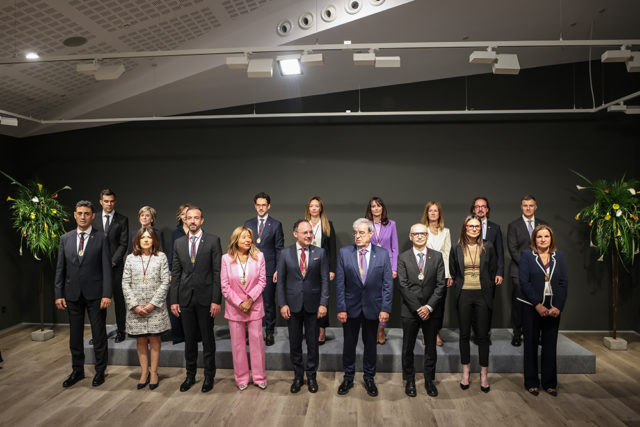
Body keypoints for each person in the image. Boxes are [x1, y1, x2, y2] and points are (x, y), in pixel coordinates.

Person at [54, 200, 112, 388]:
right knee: (75, 335)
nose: (83, 217)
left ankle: (100, 371)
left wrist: (107, 294)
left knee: (99, 334)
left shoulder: (101, 237)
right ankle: (77, 370)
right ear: (74, 215)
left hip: (96, 295)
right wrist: (58, 294)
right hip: (72, 294)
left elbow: (106, 269)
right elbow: (60, 269)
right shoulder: (65, 239)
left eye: (87, 213)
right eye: (79, 213)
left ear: (93, 216)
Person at [335, 218, 393, 397]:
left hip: (373, 307)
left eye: (361, 232)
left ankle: (369, 378)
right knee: (349, 345)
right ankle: (348, 377)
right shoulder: (345, 253)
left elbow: (388, 284)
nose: (357, 236)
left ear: (371, 234)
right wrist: (341, 308)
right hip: (350, 308)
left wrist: (385, 308)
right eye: (355, 233)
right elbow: (339, 284)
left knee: (370, 346)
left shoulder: (382, 254)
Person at [170, 206, 222, 393]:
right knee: (189, 340)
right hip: (185, 299)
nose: (192, 221)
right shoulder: (179, 243)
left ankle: (209, 376)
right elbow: (176, 273)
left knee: (208, 340)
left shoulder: (213, 241)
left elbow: (217, 272)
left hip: (206, 298)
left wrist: (216, 300)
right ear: (185, 220)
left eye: (196, 218)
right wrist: (174, 300)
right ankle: (190, 375)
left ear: (202, 220)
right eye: (189, 218)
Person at [276, 220, 329, 393]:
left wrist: (323, 303)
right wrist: (283, 304)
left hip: (314, 306)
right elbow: (280, 282)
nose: (308, 235)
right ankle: (298, 376)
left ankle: (312, 376)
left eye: (310, 232)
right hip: (292, 306)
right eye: (304, 232)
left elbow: (325, 281)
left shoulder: (320, 253)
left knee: (313, 344)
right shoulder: (285, 253)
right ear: (295, 234)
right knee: (295, 343)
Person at [449, 215, 498, 393]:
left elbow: (492, 270)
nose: (474, 229)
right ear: (465, 228)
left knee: (483, 335)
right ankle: (466, 372)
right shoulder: (456, 248)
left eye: (477, 226)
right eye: (470, 226)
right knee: (464, 334)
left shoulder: (488, 246)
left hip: (482, 294)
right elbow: (453, 271)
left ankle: (484, 375)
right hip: (464, 293)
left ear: (480, 229)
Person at [397, 223, 446, 397]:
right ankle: (409, 380)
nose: (419, 236)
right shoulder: (403, 257)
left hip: (431, 310)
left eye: (423, 234)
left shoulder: (437, 256)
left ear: (427, 236)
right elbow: (402, 285)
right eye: (416, 234)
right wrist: (418, 308)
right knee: (407, 348)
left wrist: (428, 307)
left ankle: (429, 380)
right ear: (410, 236)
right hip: (410, 310)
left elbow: (441, 285)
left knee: (431, 348)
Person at [518, 224, 568, 397]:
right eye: (539, 236)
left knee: (550, 346)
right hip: (531, 306)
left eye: (546, 236)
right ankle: (532, 382)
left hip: (553, 308)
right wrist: (537, 304)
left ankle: (549, 383)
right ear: (534, 239)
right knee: (530, 345)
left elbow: (563, 283)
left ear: (551, 238)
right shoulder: (527, 255)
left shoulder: (559, 256)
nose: (543, 239)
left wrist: (558, 306)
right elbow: (524, 282)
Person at [121, 226, 170, 390]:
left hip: (155, 309)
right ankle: (144, 372)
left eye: (149, 237)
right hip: (136, 309)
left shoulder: (161, 257)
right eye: (143, 237)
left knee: (155, 339)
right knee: (141, 340)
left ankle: (154, 372)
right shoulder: (130, 258)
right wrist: (135, 305)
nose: (146, 240)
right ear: (138, 240)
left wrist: (151, 305)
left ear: (154, 240)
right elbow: (125, 283)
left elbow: (165, 282)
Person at [221, 226, 268, 390]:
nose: (248, 240)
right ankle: (241, 379)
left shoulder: (259, 257)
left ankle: (259, 378)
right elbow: (225, 286)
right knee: (238, 345)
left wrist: (250, 300)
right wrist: (239, 303)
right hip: (235, 308)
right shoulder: (226, 259)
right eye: (243, 237)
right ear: (236, 240)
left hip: (254, 306)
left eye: (249, 237)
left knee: (257, 344)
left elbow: (262, 281)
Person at [507, 195, 547, 347]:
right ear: (521, 207)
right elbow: (513, 249)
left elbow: (547, 247)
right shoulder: (513, 225)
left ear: (536, 207)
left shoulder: (543, 224)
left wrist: (538, 266)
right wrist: (527, 266)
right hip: (519, 269)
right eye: (525, 205)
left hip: (541, 269)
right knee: (519, 303)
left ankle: (538, 333)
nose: (528, 208)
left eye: (531, 205)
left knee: (539, 300)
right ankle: (517, 333)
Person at [244, 192, 284, 346]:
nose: (261, 208)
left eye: (264, 205)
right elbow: (243, 247)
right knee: (251, 302)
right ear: (255, 206)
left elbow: (279, 248)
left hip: (269, 269)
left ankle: (269, 332)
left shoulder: (276, 224)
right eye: (258, 205)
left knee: (268, 303)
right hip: (250, 269)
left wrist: (278, 269)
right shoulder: (248, 224)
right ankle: (252, 333)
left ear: (269, 206)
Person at [92, 188, 129, 343]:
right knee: (98, 301)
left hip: (116, 267)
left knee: (119, 301)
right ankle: (99, 334)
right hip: (97, 268)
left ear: (115, 202)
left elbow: (123, 244)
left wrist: (112, 262)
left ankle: (121, 331)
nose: (109, 204)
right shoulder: (93, 218)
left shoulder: (122, 219)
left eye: (112, 201)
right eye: (106, 201)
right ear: (101, 202)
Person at [364, 196, 398, 345]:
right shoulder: (365, 225)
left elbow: (394, 248)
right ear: (370, 209)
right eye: (373, 206)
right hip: (370, 265)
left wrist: (394, 268)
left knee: (385, 296)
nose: (376, 208)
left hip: (387, 265)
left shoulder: (391, 224)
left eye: (378, 206)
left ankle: (381, 328)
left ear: (382, 208)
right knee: (371, 296)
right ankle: (372, 327)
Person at [304, 196, 336, 345]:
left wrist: (332, 269)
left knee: (323, 298)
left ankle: (322, 330)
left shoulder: (328, 225)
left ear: (321, 208)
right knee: (308, 297)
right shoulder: (304, 224)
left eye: (317, 206)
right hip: (307, 265)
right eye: (312, 206)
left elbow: (332, 249)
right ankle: (311, 329)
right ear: (308, 208)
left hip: (323, 266)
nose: (314, 208)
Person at [420, 200, 451, 347]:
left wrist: (449, 274)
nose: (433, 213)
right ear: (427, 213)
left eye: (435, 211)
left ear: (439, 214)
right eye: (430, 210)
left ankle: (436, 332)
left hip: (442, 272)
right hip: (425, 272)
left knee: (439, 305)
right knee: (426, 303)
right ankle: (427, 334)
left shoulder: (446, 232)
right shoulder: (421, 230)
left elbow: (447, 253)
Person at [167, 203, 191, 344]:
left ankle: (192, 335)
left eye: (188, 214)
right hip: (178, 271)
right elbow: (171, 254)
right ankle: (178, 335)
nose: (186, 217)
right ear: (180, 217)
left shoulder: (197, 230)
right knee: (176, 303)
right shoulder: (176, 233)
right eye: (183, 214)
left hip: (192, 272)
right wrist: (170, 272)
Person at [470, 197, 504, 286]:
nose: (480, 209)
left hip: (490, 271)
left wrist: (499, 272)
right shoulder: (468, 226)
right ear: (473, 210)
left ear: (487, 209)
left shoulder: (495, 228)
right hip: (472, 269)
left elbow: (499, 252)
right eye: (477, 207)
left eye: (483, 206)